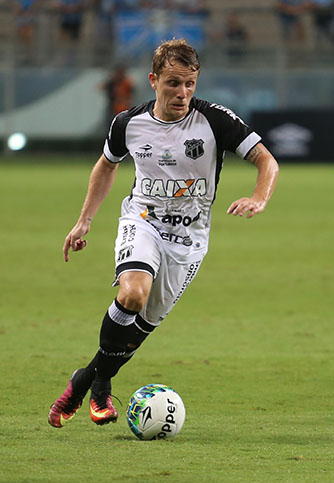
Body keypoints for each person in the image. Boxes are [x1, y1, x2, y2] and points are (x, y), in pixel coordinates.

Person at [49, 39, 279, 428]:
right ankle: (100, 386)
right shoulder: (128, 123)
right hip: (143, 220)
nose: (183, 93)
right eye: (174, 83)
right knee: (133, 294)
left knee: (139, 327)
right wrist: (84, 219)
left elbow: (266, 160)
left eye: (190, 84)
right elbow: (107, 165)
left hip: (189, 240)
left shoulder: (214, 120)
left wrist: (259, 198)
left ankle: (87, 377)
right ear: (153, 80)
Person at [102, 64, 134, 129]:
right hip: (113, 107)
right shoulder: (113, 82)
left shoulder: (126, 82)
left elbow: (130, 93)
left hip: (122, 106)